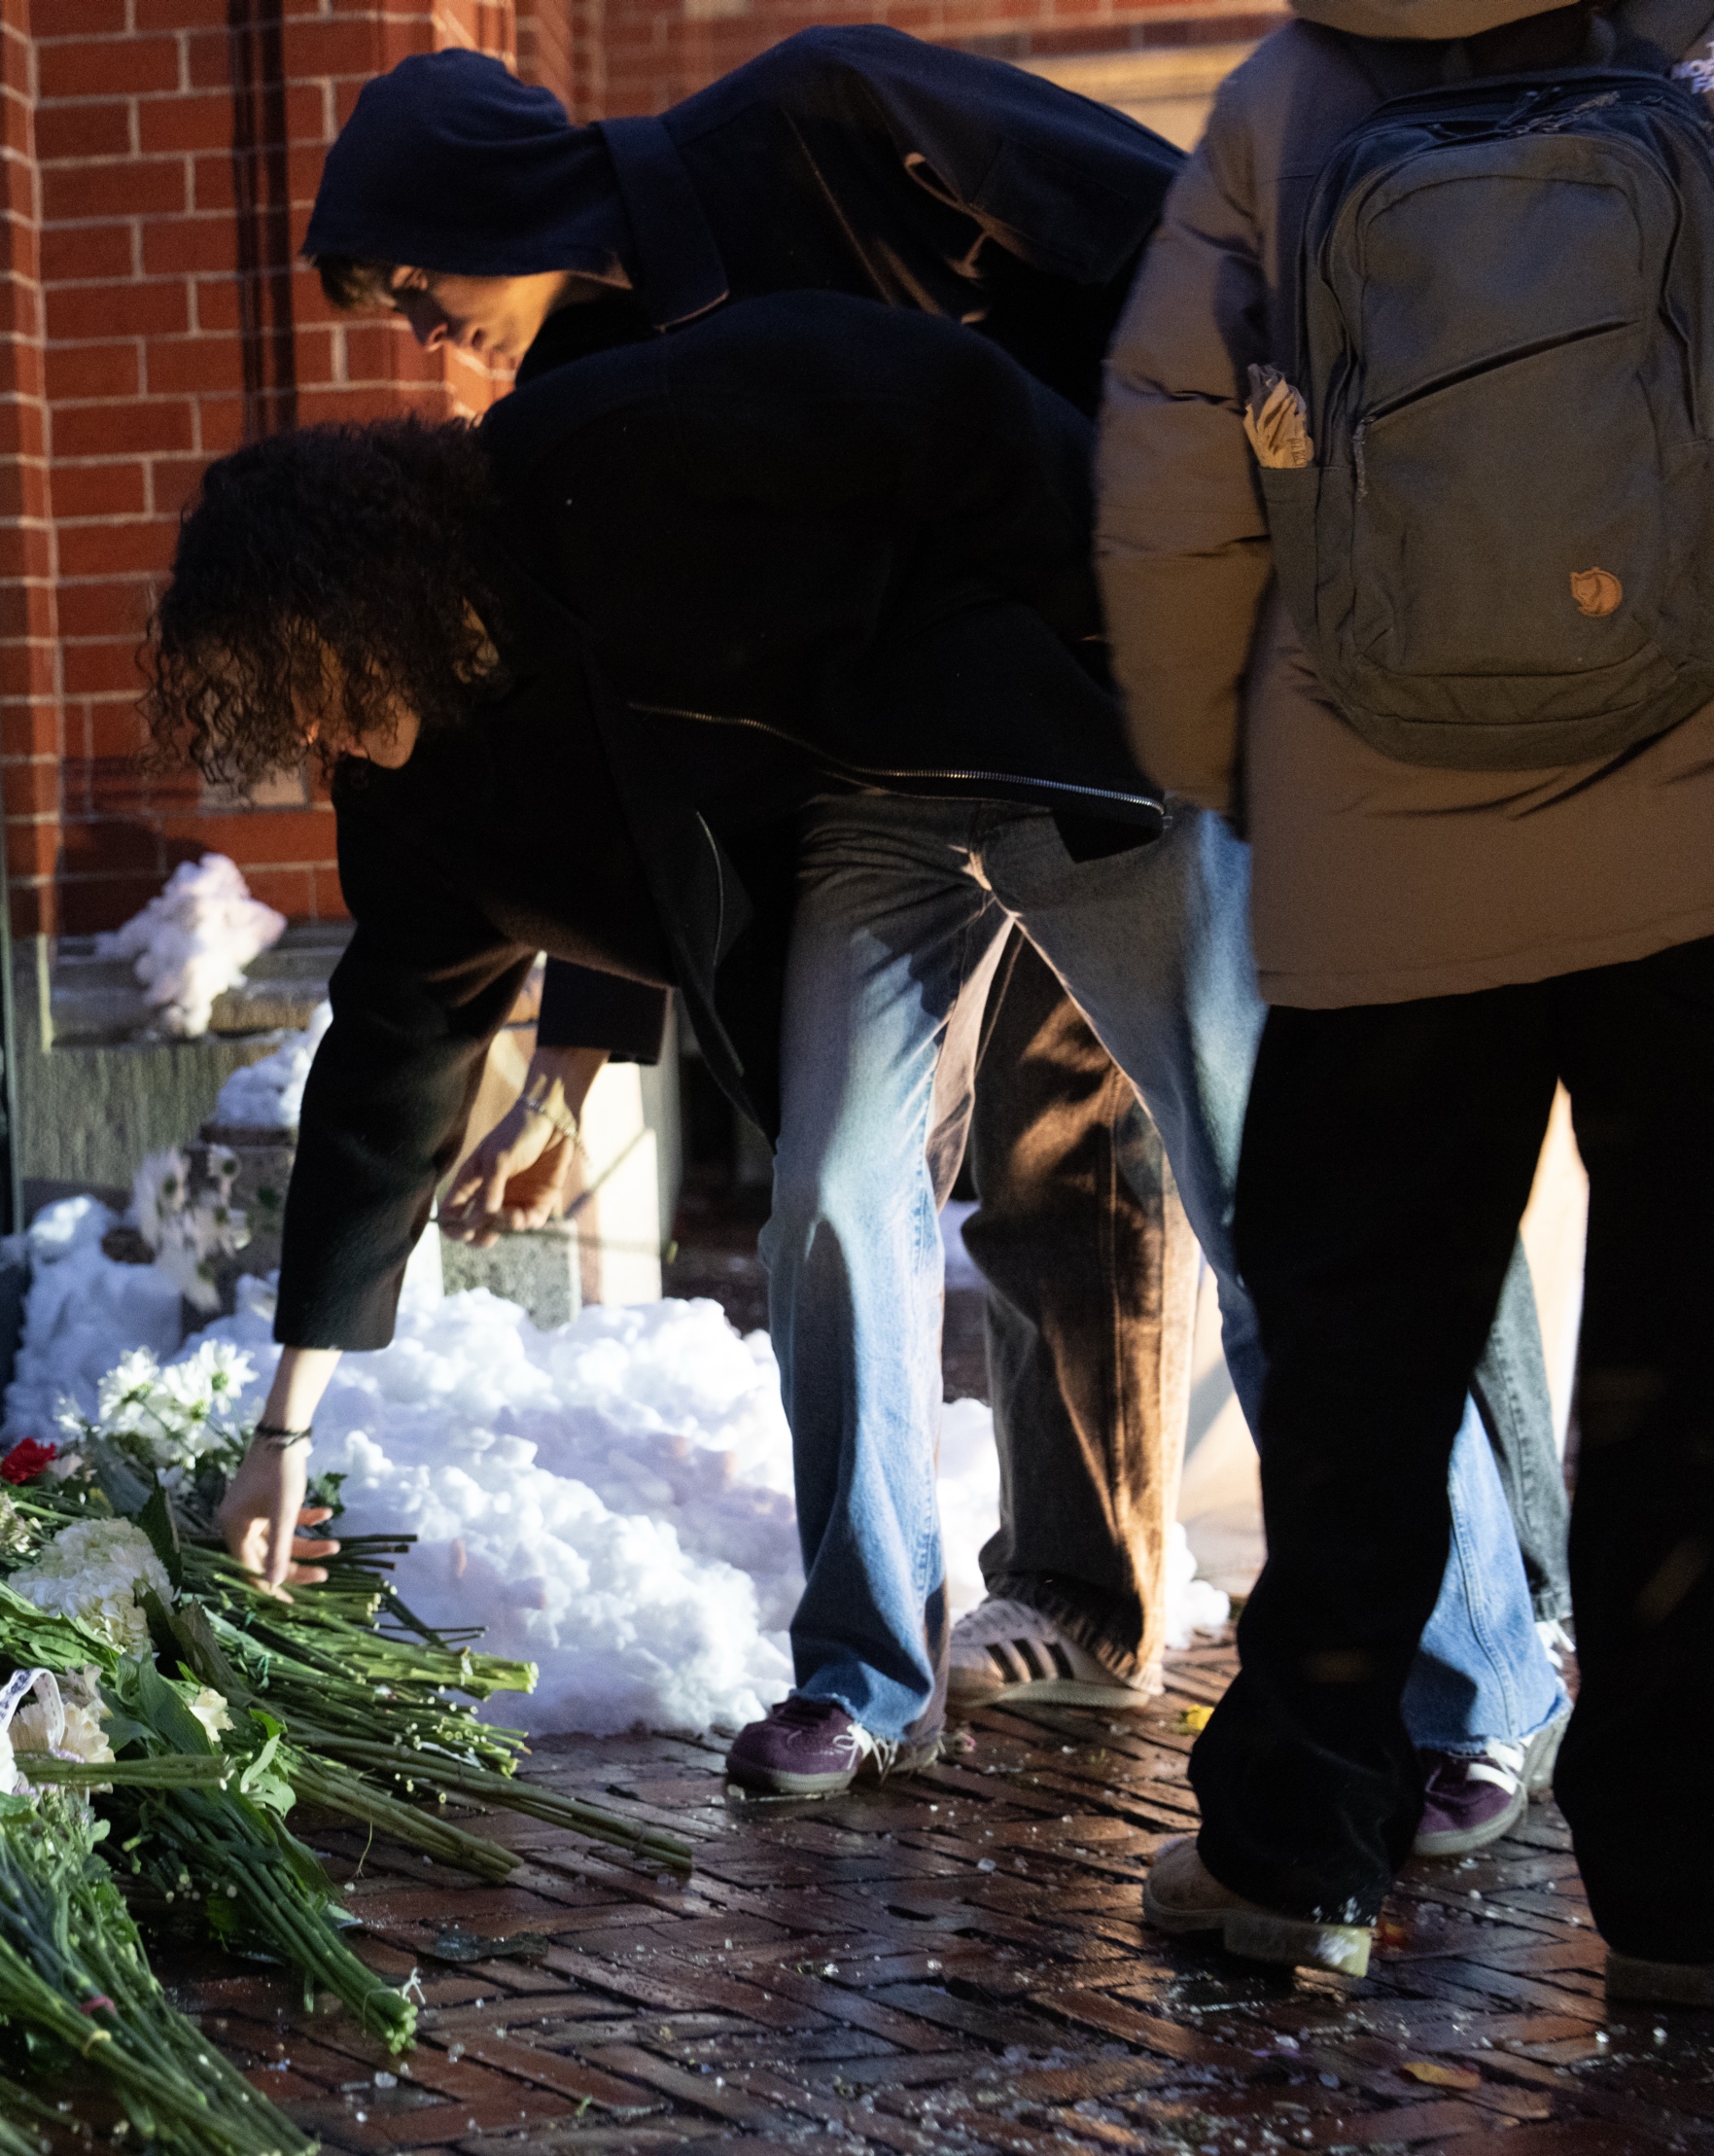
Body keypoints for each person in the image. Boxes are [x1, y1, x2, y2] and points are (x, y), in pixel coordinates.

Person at [259, 40, 1568, 1831]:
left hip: (1104, 701)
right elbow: (603, 748)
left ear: (497, 198)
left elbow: (1144, 240)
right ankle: (865, 1670)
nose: (419, 332)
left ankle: (1481, 1675)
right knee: (834, 1185)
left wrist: (1209, 573)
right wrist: (573, 1037)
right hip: (875, 799)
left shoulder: (814, 121)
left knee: (1273, 1179)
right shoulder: (569, 403)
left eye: (417, 281)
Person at [1099, 0, 1714, 1995]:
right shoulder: (1688, 67)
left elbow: (1173, 475)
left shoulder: (1283, 104)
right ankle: (1694, 1896)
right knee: (1685, 1390)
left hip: (1376, 839)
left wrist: (1228, 768)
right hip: (1691, 843)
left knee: (1360, 1396)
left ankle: (1295, 1859)